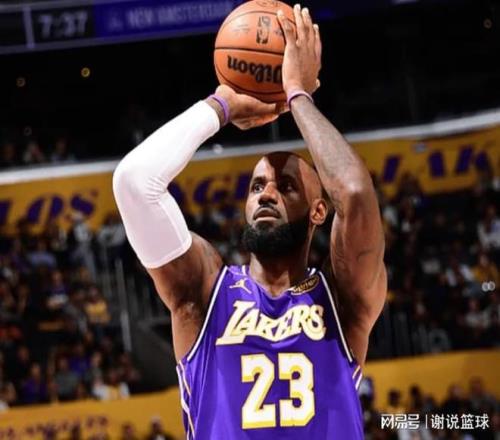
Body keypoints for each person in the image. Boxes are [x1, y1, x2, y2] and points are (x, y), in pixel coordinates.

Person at [113, 5, 386, 439]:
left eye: (286, 186)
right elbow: (133, 182)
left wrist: (297, 95)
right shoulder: (204, 291)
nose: (267, 194)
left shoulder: (342, 297)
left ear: (319, 211)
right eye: (257, 185)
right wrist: (221, 105)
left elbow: (353, 193)